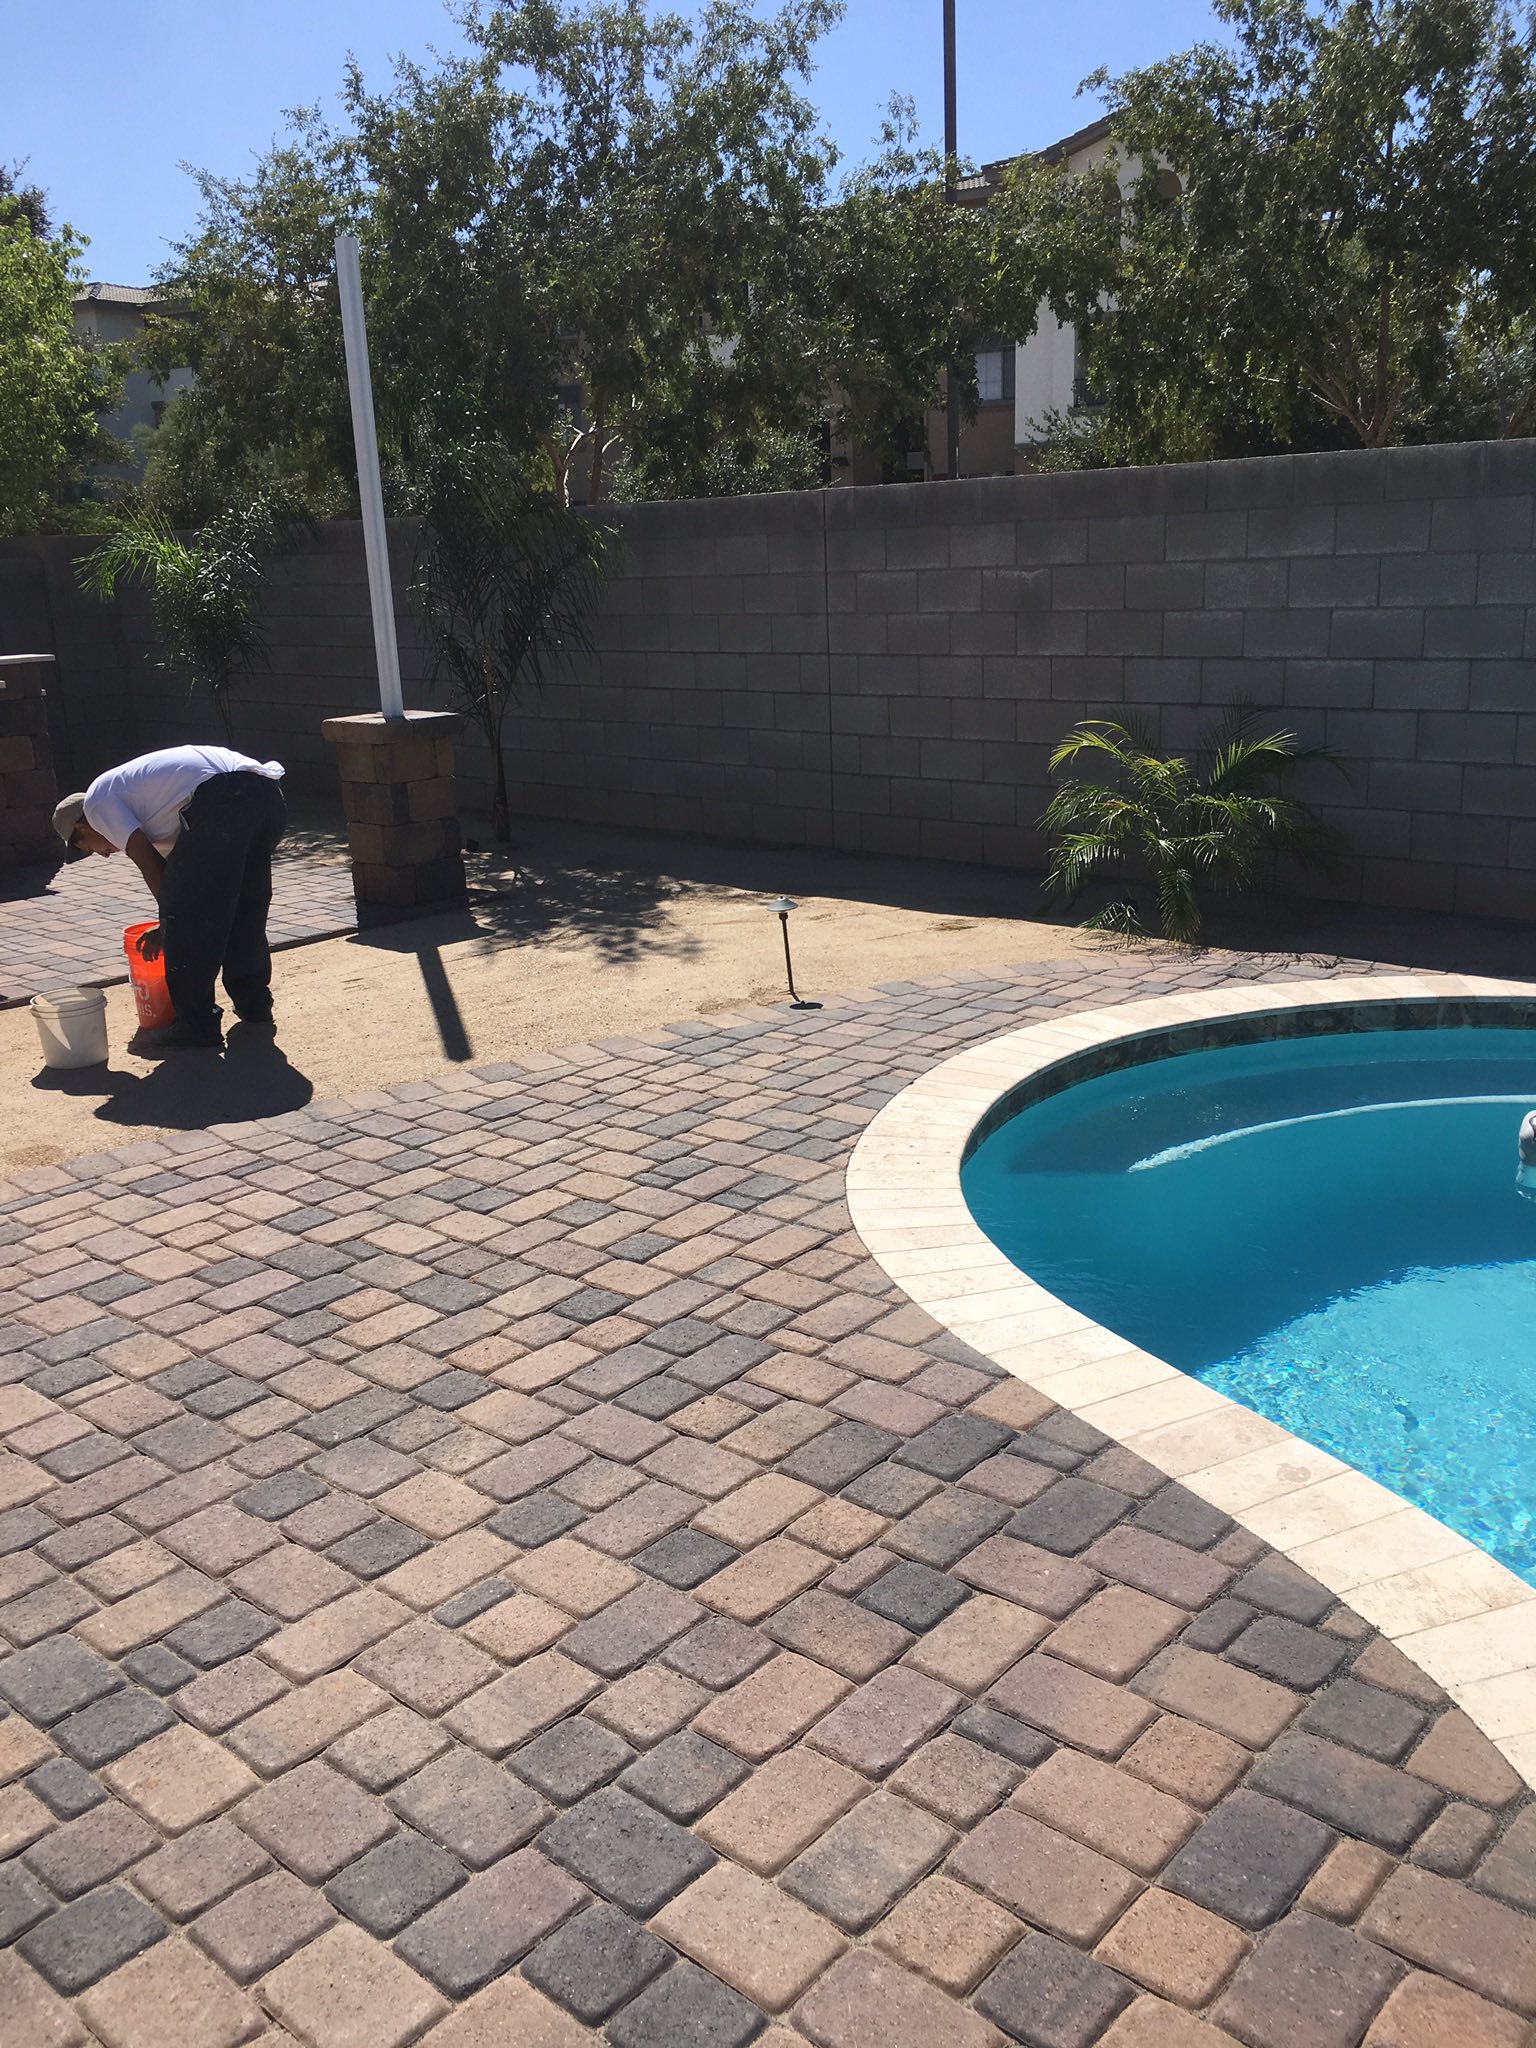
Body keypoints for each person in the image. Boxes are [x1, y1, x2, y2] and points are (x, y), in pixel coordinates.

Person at [52, 744, 287, 1053]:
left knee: (183, 915)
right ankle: (254, 1004)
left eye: (88, 849)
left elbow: (154, 870)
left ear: (84, 827)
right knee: (244, 906)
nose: (105, 854)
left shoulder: (98, 803)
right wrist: (173, 916)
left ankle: (196, 1024)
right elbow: (193, 887)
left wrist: (169, 924)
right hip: (266, 795)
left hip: (222, 799)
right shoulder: (157, 808)